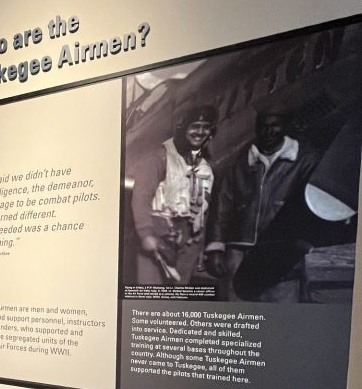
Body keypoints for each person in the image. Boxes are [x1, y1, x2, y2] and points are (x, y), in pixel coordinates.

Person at [206, 105, 320, 300]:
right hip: (239, 249)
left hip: (279, 248)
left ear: (285, 127)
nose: (269, 131)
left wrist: (304, 240)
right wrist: (216, 247)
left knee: (281, 311)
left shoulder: (306, 160)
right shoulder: (239, 164)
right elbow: (221, 207)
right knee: (237, 313)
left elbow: (313, 205)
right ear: (256, 129)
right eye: (263, 126)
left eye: (275, 125)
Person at [131, 102, 217, 285]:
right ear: (183, 127)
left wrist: (199, 246)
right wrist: (149, 236)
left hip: (188, 243)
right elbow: (141, 198)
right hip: (159, 234)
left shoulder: (206, 168)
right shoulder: (158, 158)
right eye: (195, 126)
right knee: (151, 298)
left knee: (175, 301)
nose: (200, 132)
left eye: (205, 127)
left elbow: (204, 210)